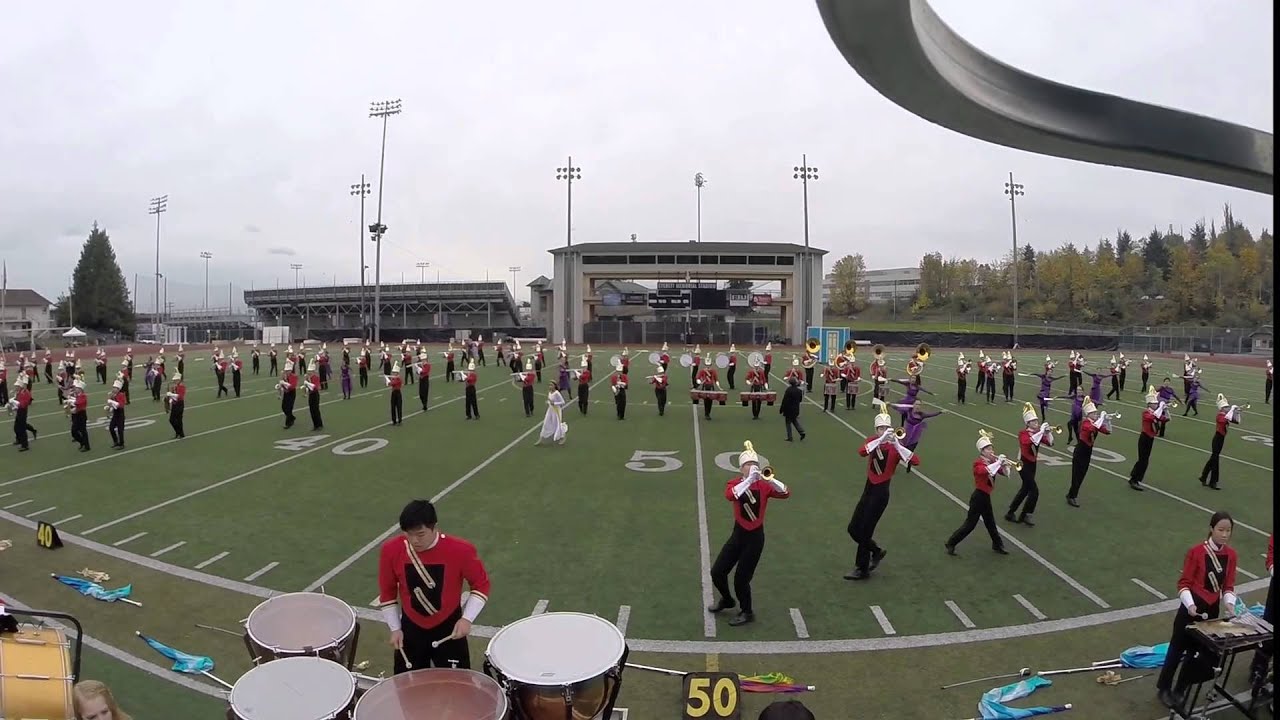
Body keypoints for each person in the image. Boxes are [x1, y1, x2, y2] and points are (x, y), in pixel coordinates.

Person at [376, 499, 491, 672]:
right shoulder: (391, 550)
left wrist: (467, 619)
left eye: (420, 534)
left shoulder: (461, 550)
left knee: (457, 687)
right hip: (410, 629)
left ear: (434, 527)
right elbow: (387, 592)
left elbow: (481, 584)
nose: (414, 540)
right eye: (408, 534)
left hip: (449, 627)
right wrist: (395, 629)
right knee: (408, 688)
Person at [1155, 511, 1242, 710]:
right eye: (1221, 530)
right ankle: (1164, 688)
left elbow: (1228, 586)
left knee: (1196, 652)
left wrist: (1229, 604)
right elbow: (1184, 583)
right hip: (1191, 608)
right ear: (1211, 529)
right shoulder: (1196, 552)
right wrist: (1190, 604)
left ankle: (1181, 687)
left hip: (1211, 610)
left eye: (1228, 531)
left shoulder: (1231, 555)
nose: (1225, 534)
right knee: (1176, 649)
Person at [707, 440, 789, 627]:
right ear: (741, 468)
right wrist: (749, 481)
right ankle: (727, 600)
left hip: (755, 538)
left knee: (741, 579)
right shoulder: (734, 483)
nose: (752, 467)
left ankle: (747, 611)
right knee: (717, 572)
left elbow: (785, 492)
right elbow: (731, 495)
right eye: (748, 465)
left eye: (754, 465)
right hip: (738, 534)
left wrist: (769, 478)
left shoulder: (764, 485)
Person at [846, 411, 919, 580]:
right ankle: (876, 551)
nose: (884, 431)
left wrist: (897, 444)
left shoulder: (895, 447)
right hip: (868, 488)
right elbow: (861, 452)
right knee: (853, 528)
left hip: (881, 493)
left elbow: (915, 461)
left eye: (886, 428)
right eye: (880, 428)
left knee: (865, 532)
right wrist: (880, 440)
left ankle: (862, 569)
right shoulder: (873, 441)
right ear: (876, 430)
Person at [945, 431, 1010, 556]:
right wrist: (997, 463)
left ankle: (997, 544)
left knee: (990, 522)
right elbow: (984, 471)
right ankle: (951, 542)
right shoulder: (978, 463)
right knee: (970, 524)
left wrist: (1005, 465)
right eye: (988, 449)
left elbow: (1006, 474)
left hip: (985, 496)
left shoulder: (992, 463)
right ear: (982, 451)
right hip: (979, 497)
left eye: (991, 448)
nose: (991, 451)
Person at [1006, 402, 1053, 526]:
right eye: (1034, 422)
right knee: (1034, 490)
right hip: (1024, 464)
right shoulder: (1023, 434)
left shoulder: (1037, 433)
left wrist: (1048, 432)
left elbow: (1050, 443)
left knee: (1025, 489)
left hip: (1033, 465)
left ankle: (1011, 512)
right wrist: (1041, 432)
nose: (1037, 423)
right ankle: (1026, 514)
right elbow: (1029, 442)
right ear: (1028, 423)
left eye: (1037, 421)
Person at [1065, 398, 1111, 508]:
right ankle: (1072, 496)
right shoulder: (1085, 423)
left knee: (1082, 474)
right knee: (1076, 475)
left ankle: (1071, 494)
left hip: (1088, 451)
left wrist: (1107, 421)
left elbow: (1108, 431)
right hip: (1081, 450)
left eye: (1096, 412)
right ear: (1088, 414)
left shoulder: (1095, 423)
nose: (1096, 414)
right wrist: (1101, 420)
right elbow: (1092, 428)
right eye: (1093, 413)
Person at [1127, 386, 1169, 491]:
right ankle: (1134, 480)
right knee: (1143, 460)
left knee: (1144, 460)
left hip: (1150, 438)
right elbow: (1153, 417)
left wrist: (1166, 410)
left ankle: (1134, 477)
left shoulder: (1155, 412)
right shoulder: (1146, 413)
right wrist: (1160, 408)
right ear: (1149, 404)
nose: (1156, 404)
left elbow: (1166, 419)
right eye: (1154, 403)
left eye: (1156, 403)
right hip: (1144, 438)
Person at [1199, 393, 1243, 490]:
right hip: (1217, 439)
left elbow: (1237, 421)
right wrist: (1232, 409)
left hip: (1221, 439)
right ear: (1222, 408)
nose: (1228, 408)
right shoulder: (1220, 416)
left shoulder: (1227, 415)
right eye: (1226, 407)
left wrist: (1238, 412)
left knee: (1213, 459)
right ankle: (1213, 482)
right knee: (1215, 461)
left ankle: (1203, 477)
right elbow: (1227, 418)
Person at [779, 376, 805, 442]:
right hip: (796, 409)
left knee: (788, 423)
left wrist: (781, 409)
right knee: (794, 421)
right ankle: (801, 432)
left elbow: (784, 400)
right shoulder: (799, 391)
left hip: (788, 409)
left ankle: (790, 437)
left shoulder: (788, 390)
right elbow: (800, 400)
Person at [105, 377, 128, 449]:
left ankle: (121, 444)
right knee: (111, 428)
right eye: (113, 387)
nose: (114, 389)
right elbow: (111, 404)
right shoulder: (112, 395)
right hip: (115, 414)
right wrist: (109, 408)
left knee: (120, 430)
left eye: (115, 388)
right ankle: (116, 441)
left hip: (120, 414)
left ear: (118, 389)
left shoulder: (121, 395)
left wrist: (113, 401)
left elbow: (121, 405)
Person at [278, 360, 299, 429]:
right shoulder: (284, 376)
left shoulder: (294, 376)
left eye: (288, 371)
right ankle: (292, 417)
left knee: (289, 408)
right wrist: (280, 386)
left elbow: (293, 386)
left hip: (291, 393)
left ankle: (288, 423)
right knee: (284, 407)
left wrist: (284, 383)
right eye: (286, 371)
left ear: (291, 370)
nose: (287, 372)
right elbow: (282, 385)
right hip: (286, 393)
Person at [304, 358, 323, 431]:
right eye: (308, 371)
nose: (309, 373)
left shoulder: (316, 377)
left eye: (310, 371)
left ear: (313, 372)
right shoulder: (308, 378)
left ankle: (319, 424)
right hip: (310, 395)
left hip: (315, 394)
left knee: (316, 410)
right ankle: (315, 425)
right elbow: (306, 387)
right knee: (311, 410)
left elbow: (315, 387)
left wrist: (308, 382)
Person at [165, 372, 186, 439]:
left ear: (179, 380)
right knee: (172, 420)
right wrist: (168, 400)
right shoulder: (174, 387)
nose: (174, 381)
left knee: (178, 419)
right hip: (174, 404)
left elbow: (180, 396)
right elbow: (173, 397)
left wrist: (171, 394)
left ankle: (180, 433)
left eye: (175, 380)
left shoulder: (182, 387)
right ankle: (178, 432)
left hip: (179, 404)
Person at [386, 361, 404, 426]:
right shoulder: (393, 378)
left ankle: (399, 420)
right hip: (393, 393)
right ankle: (394, 420)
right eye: (393, 372)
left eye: (394, 373)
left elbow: (393, 383)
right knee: (393, 407)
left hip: (398, 393)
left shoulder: (398, 378)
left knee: (399, 407)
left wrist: (389, 381)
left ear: (397, 373)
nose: (393, 374)